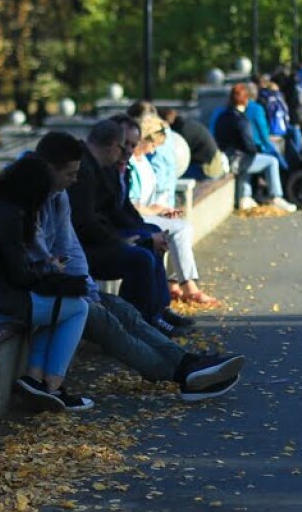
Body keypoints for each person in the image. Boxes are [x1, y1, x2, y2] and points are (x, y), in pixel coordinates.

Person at [30, 132, 244, 400]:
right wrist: (72, 286)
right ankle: (181, 374)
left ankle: (187, 362)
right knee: (108, 322)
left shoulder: (58, 194)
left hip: (58, 286)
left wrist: (87, 289)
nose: (75, 180)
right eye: (70, 174)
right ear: (50, 168)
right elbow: (34, 256)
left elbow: (69, 246)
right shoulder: (27, 198)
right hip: (40, 290)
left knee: (124, 310)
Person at [0, 156, 93, 412]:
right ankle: (53, 386)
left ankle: (35, 379)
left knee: (61, 310)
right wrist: (50, 268)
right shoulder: (8, 214)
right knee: (78, 308)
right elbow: (19, 275)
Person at [68, 118, 186, 331]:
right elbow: (86, 222)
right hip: (83, 249)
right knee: (142, 257)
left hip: (99, 238)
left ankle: (157, 311)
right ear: (113, 145)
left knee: (151, 237)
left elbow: (119, 210)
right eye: (125, 146)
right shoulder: (86, 169)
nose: (127, 152)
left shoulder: (101, 166)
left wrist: (144, 233)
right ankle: (136, 323)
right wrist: (126, 241)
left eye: (133, 145)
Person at [127, 113, 218, 308]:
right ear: (144, 139)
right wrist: (154, 211)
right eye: (153, 145)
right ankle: (188, 286)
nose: (153, 151)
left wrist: (161, 210)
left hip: (146, 213)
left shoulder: (143, 160)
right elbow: (130, 204)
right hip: (136, 217)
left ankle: (175, 283)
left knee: (180, 226)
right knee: (180, 229)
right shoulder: (130, 164)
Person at [212, 84, 297, 213]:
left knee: (248, 162)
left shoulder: (222, 116)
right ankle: (276, 197)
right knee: (271, 161)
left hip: (225, 158)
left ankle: (244, 197)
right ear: (246, 100)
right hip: (236, 161)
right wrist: (257, 149)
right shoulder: (241, 120)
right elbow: (248, 145)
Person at [159, 106, 225, 180]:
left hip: (208, 168)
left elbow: (176, 158)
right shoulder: (186, 124)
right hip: (214, 163)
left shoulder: (181, 133)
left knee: (170, 173)